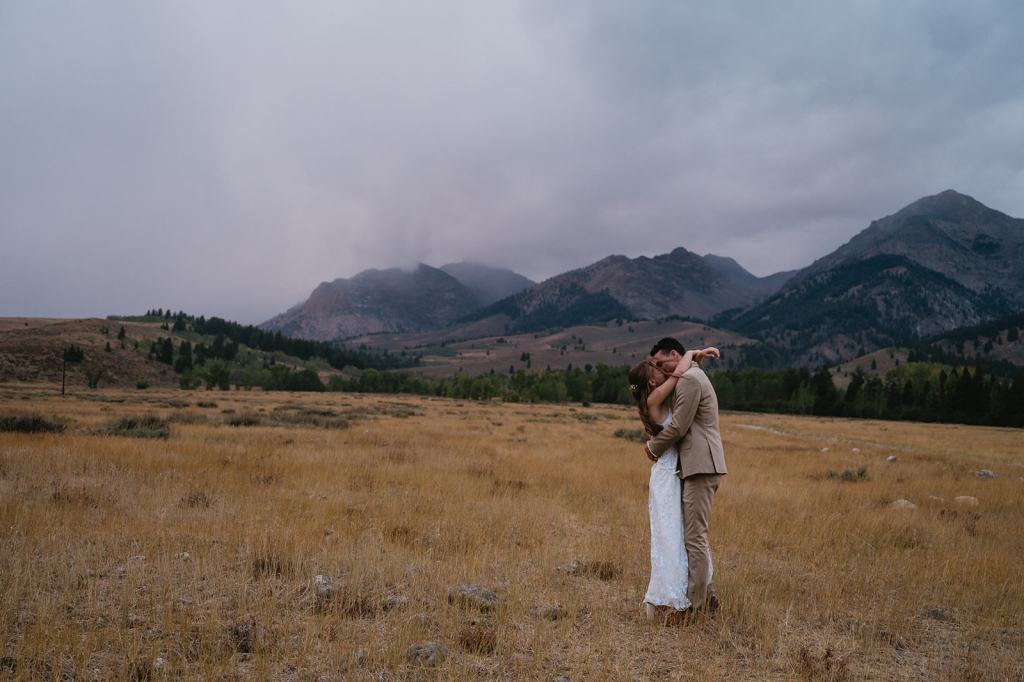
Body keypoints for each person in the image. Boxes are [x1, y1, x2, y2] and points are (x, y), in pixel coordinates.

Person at [628, 345, 720, 623]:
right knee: (675, 536)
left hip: (679, 469)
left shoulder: (659, 393)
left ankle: (694, 596)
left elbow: (681, 376)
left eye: (660, 362)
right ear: (653, 380)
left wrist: (693, 356)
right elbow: (680, 375)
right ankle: (680, 599)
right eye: (656, 366)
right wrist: (693, 354)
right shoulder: (658, 395)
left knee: (685, 535)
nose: (660, 368)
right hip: (669, 473)